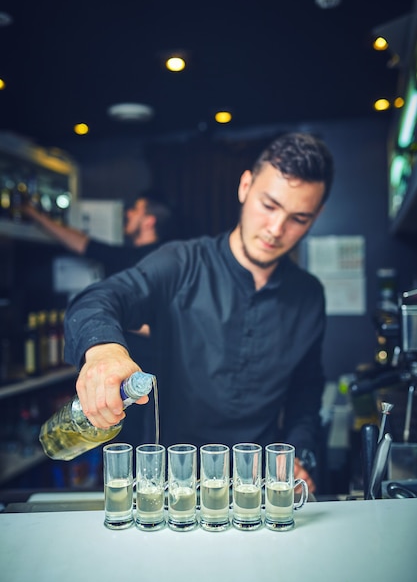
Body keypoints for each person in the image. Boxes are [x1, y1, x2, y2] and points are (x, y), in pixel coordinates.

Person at [63, 132, 335, 493]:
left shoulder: (309, 295)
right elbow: (99, 298)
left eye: (298, 218)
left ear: (316, 217)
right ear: (245, 186)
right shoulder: (182, 263)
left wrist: (300, 457)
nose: (276, 229)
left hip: (256, 488)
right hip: (172, 486)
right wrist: (105, 351)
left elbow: (305, 392)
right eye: (268, 205)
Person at [22, 190, 174, 276]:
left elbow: (83, 244)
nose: (128, 213)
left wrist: (36, 216)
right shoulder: (155, 256)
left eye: (135, 210)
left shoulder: (144, 261)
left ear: (149, 221)